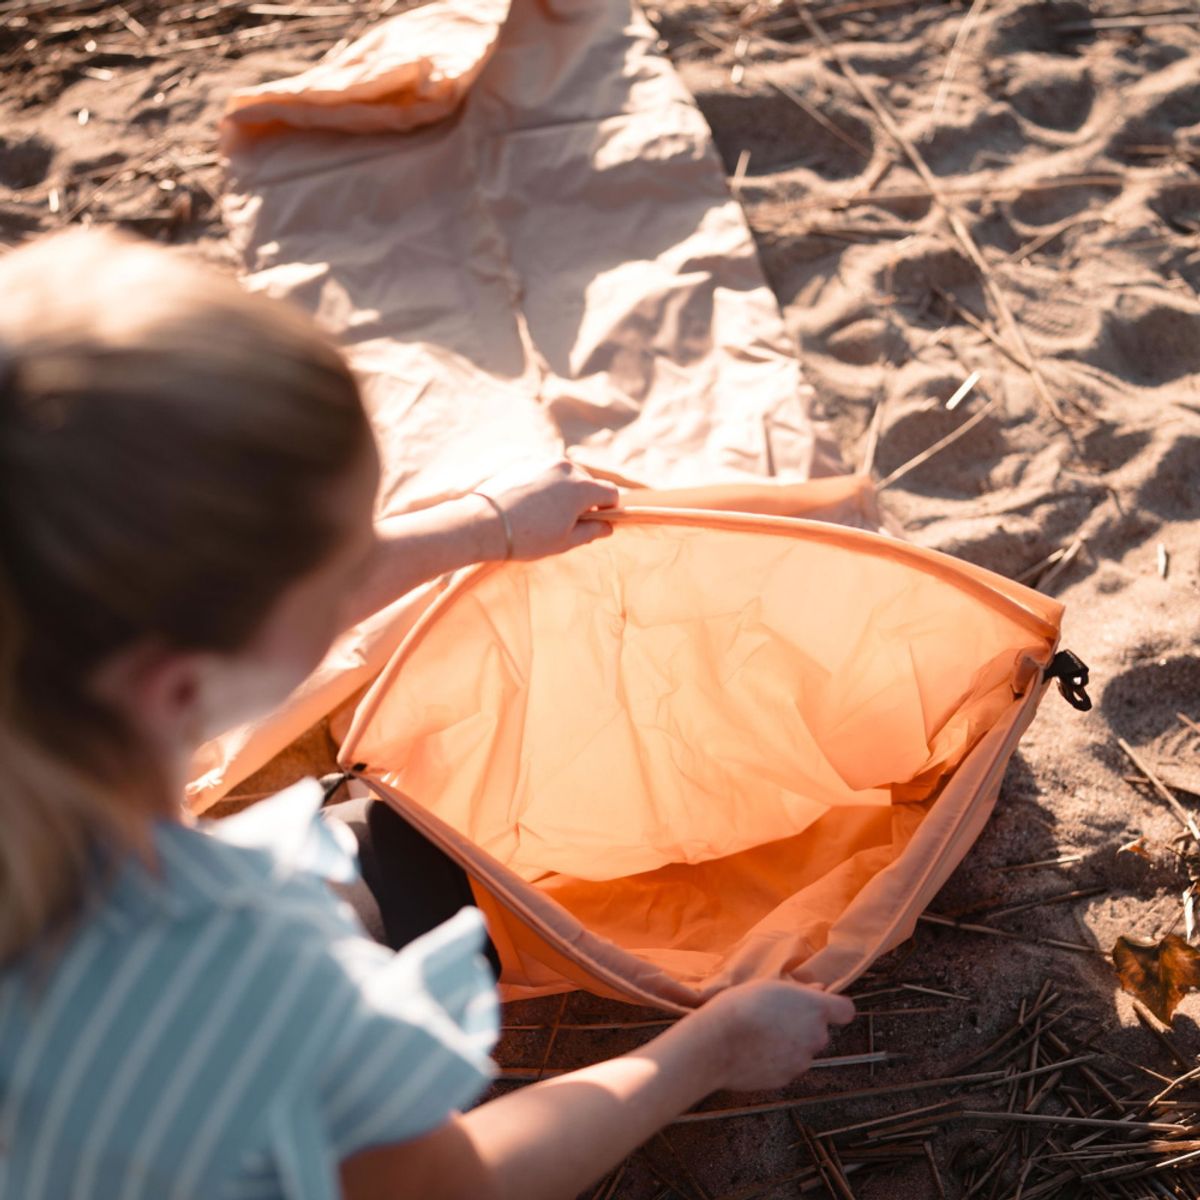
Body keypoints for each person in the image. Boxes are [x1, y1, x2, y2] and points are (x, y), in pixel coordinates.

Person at [0, 229, 855, 1200]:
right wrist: (706, 1050)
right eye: (331, 582)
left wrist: (484, 524)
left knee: (374, 861)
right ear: (179, 687)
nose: (348, 593)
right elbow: (465, 1184)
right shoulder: (243, 976)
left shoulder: (50, 663)